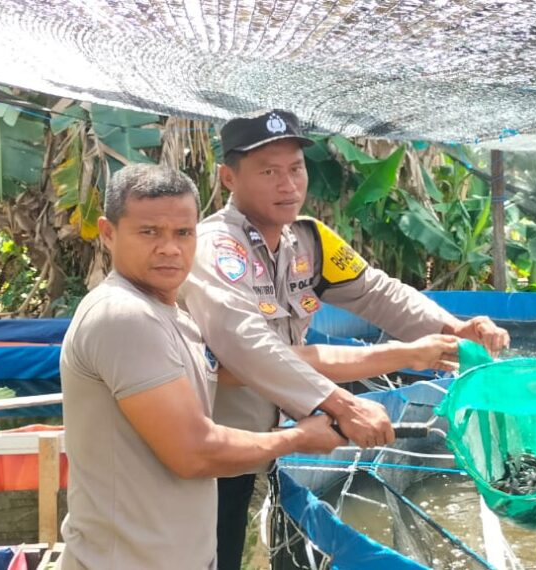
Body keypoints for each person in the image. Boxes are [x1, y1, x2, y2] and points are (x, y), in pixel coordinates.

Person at [180, 109, 510, 569]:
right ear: (229, 177)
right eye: (269, 171)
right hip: (211, 454)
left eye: (295, 169)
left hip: (267, 448)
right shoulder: (217, 249)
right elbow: (247, 348)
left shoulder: (308, 241)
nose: (288, 185)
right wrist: (345, 404)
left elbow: (378, 292)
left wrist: (452, 329)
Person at [58, 164, 344, 570]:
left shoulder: (176, 316)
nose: (170, 248)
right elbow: (194, 451)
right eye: (149, 232)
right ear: (108, 232)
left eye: (183, 233)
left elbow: (262, 362)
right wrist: (297, 437)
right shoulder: (123, 316)